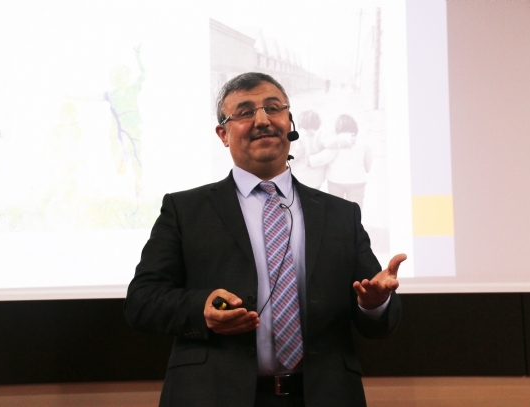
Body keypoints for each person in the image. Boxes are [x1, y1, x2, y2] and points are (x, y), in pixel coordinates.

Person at [124, 72, 405, 407]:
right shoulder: (185, 210)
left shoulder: (340, 214)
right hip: (213, 396)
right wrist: (201, 308)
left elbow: (376, 311)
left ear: (289, 122)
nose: (262, 120)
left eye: (273, 108)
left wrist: (373, 304)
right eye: (245, 112)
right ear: (223, 134)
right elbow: (142, 300)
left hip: (323, 396)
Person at [324, 114, 373, 210]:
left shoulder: (334, 143)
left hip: (335, 180)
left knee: (336, 211)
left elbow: (325, 159)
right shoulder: (364, 143)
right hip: (357, 182)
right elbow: (368, 166)